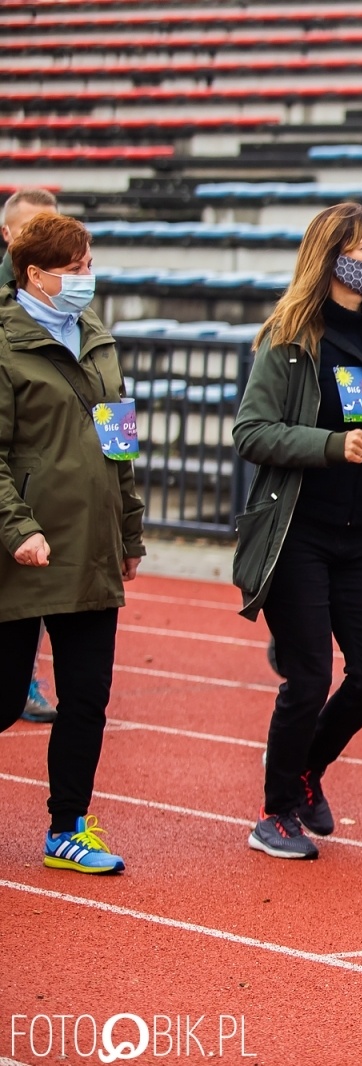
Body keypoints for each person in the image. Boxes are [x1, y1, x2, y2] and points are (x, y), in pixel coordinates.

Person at [233, 202, 362, 861]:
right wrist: (330, 446)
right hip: (300, 534)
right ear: (331, 256)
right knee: (309, 678)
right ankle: (276, 810)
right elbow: (251, 434)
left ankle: (306, 769)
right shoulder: (289, 337)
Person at [0, 212, 145, 873]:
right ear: (37, 275)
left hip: (89, 548)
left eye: (88, 264)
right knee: (6, 698)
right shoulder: (5, 346)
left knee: (86, 696)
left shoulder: (97, 339)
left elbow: (120, 442)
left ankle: (67, 827)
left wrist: (130, 528)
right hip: (22, 554)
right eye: (78, 267)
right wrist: (18, 529)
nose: (89, 277)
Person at [1, 187, 64, 724]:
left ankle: (27, 679)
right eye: (30, 228)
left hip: (55, 498)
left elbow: (115, 418)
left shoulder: (82, 319)